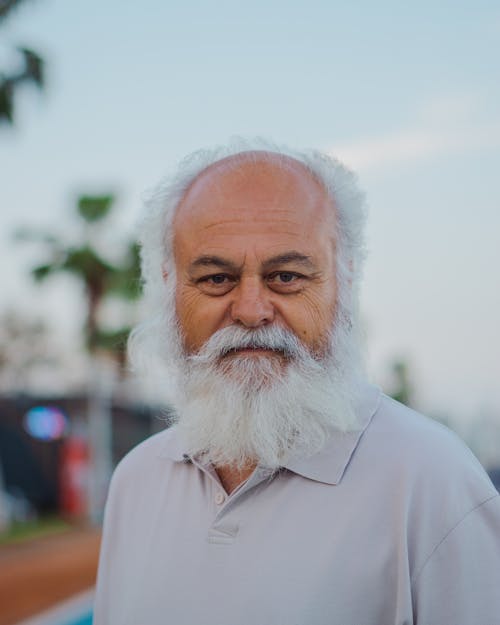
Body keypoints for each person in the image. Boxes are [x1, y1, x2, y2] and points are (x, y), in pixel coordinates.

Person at [94, 140, 500, 625]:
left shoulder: (433, 481)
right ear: (168, 289)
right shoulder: (136, 479)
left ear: (344, 285)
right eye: (216, 279)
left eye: (286, 276)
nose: (250, 310)